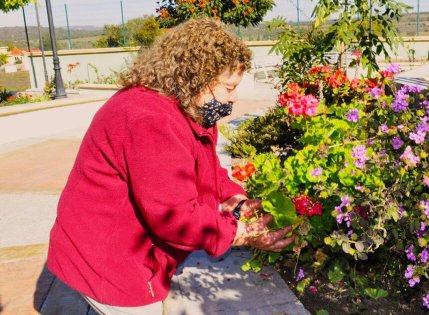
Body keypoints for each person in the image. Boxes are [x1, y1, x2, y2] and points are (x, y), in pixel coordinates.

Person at [46, 18, 294, 314]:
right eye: (229, 87)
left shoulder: (188, 108)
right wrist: (242, 233)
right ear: (196, 77)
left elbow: (206, 169)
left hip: (125, 250)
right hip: (109, 259)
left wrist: (233, 198)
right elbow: (174, 218)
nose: (234, 97)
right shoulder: (151, 120)